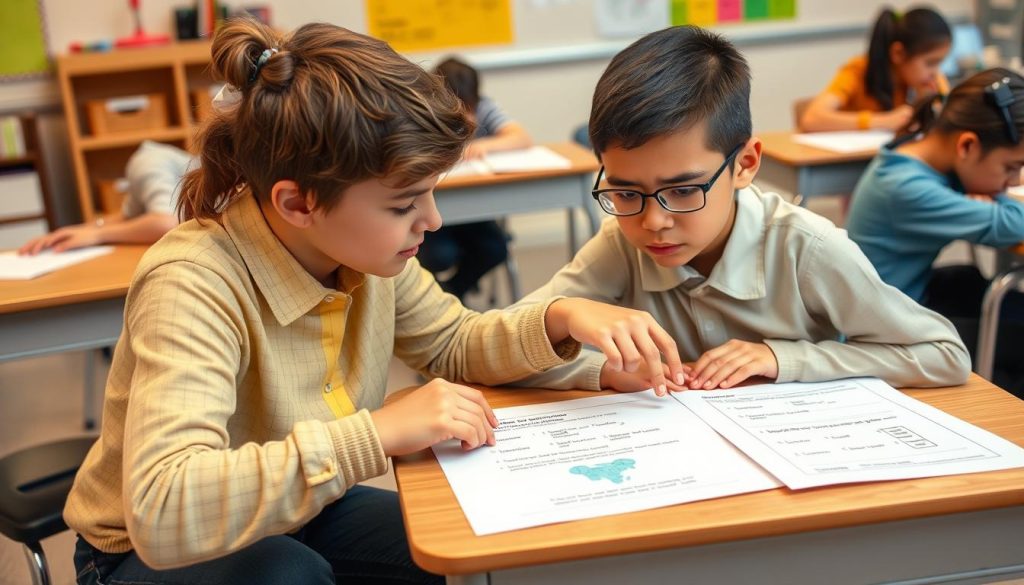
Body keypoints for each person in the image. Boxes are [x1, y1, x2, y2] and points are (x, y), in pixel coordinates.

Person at [63, 18, 686, 585]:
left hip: (298, 511)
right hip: (138, 554)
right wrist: (379, 433)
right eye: (403, 203)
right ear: (298, 203)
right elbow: (165, 507)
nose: (434, 221)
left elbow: (454, 344)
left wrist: (561, 322)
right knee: (287, 574)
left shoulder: (364, 256)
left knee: (456, 550)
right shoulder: (193, 280)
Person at [511, 25, 970, 395]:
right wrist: (600, 369)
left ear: (745, 164)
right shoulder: (620, 243)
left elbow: (944, 353)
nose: (653, 222)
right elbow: (497, 343)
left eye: (685, 190)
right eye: (626, 193)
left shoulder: (806, 248)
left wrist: (783, 359)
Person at [847, 68, 1024, 395]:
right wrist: (1000, 200)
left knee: (969, 280)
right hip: (884, 333)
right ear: (967, 145)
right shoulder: (907, 189)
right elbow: (1015, 223)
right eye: (1010, 168)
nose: (1014, 180)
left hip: (901, 298)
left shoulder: (912, 155)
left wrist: (989, 191)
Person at [416, 57, 531, 301]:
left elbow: (520, 137)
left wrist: (487, 145)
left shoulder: (485, 108)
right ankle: (436, 298)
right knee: (437, 256)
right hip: (437, 213)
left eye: (468, 106)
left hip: (475, 212)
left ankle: (451, 294)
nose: (465, 115)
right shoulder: (424, 111)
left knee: (495, 248)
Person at [18, 140, 189, 254]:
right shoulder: (150, 162)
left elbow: (165, 223)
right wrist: (83, 230)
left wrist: (98, 235)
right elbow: (129, 217)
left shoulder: (148, 161)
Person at [799, 7, 952, 132]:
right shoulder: (858, 70)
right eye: (931, 63)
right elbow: (812, 119)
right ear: (898, 53)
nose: (936, 72)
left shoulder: (926, 82)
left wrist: (926, 104)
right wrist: (883, 121)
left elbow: (950, 121)